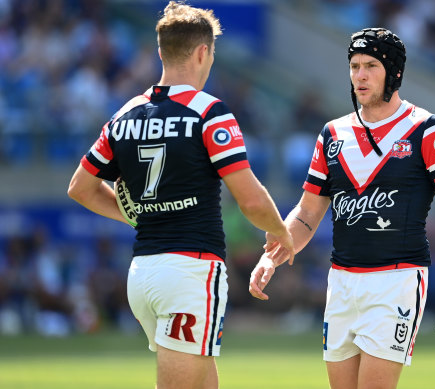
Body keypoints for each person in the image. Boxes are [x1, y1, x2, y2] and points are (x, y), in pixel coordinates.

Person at [67, 3, 294, 389]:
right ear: (204, 51)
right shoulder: (209, 112)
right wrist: (281, 233)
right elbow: (251, 200)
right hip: (190, 271)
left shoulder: (125, 114)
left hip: (142, 274)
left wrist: (139, 215)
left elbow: (80, 188)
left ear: (161, 52)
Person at [249, 28, 435, 389]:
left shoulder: (428, 130)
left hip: (396, 282)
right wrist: (273, 255)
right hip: (340, 283)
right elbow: (307, 215)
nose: (360, 75)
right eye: (354, 66)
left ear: (394, 73)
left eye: (371, 65)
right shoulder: (332, 134)